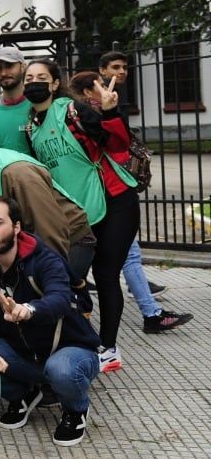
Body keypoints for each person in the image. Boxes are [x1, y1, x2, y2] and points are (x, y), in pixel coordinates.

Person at [26, 60, 191, 373]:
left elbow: (118, 144)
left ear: (54, 83)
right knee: (69, 277)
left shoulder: (74, 111)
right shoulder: (31, 125)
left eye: (41, 77)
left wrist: (112, 112)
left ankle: (108, 348)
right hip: (76, 212)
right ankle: (74, 340)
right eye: (29, 77)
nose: (34, 82)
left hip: (115, 202)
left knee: (105, 275)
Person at [0, 196, 102, 447]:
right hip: (22, 353)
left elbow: (60, 299)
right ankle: (24, 394)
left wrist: (28, 310)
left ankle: (75, 409)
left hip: (69, 349)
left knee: (60, 370)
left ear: (16, 227)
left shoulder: (45, 259)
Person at [0, 122, 96, 315]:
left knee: (50, 307)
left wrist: (48, 278)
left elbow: (50, 229)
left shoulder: (18, 174)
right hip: (15, 244)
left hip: (68, 240)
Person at [94, 54, 169, 300]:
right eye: (115, 67)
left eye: (124, 67)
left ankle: (143, 294)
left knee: (128, 251)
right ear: (102, 70)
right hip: (109, 186)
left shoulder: (115, 97)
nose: (121, 71)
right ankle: (150, 309)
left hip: (117, 184)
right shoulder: (97, 101)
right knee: (129, 252)